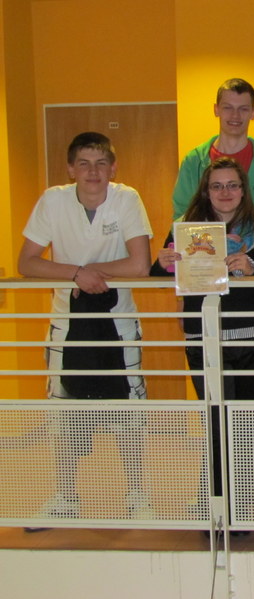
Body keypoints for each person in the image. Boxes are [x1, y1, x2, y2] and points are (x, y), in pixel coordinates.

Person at [18, 132, 153, 524]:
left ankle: (137, 494)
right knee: (63, 411)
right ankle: (65, 496)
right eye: (84, 164)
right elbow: (27, 262)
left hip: (118, 323)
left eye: (100, 163)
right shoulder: (53, 200)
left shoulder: (126, 199)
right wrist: (77, 273)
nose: (93, 172)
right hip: (66, 324)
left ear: (113, 168)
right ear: (70, 169)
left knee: (130, 412)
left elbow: (139, 265)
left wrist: (89, 273)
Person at [151, 157, 254, 522]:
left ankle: (248, 492)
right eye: (217, 186)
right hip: (203, 336)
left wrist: (253, 269)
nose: (225, 192)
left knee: (250, 421)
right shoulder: (185, 229)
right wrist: (163, 262)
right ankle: (216, 495)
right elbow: (157, 274)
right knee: (215, 418)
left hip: (252, 336)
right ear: (206, 192)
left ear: (243, 191)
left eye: (232, 185)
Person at [172, 78, 254, 232]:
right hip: (205, 245)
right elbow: (182, 218)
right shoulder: (194, 162)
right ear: (216, 109)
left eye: (243, 109)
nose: (235, 115)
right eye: (228, 108)